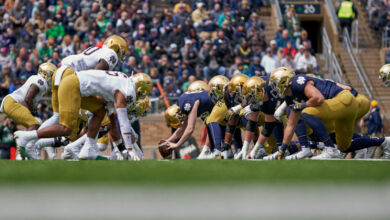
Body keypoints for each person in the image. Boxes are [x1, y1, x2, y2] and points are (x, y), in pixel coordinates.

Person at [268, 67, 358, 159]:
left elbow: (319, 98)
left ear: (284, 81)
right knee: (344, 146)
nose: (274, 88)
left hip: (341, 98)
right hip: (334, 104)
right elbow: (291, 124)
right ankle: (370, 143)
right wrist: (283, 148)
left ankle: (330, 148)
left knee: (306, 112)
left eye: (275, 84)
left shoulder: (297, 83)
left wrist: (301, 105)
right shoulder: (289, 95)